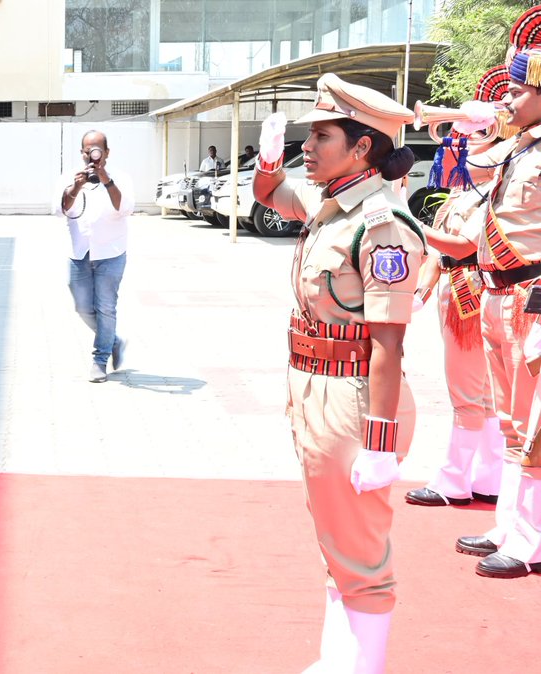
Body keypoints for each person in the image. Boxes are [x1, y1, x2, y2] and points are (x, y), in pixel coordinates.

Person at [253, 73, 424, 673]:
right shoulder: (332, 207)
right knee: (337, 542)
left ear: (362, 148)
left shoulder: (379, 224)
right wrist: (269, 158)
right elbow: (269, 193)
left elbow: (388, 344)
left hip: (355, 399)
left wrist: (380, 445)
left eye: (320, 135)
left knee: (362, 555)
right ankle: (340, 660)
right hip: (315, 387)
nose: (308, 144)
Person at [406, 65, 511, 510]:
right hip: (459, 287)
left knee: (469, 393)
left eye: (474, 138)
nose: (462, 146)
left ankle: (454, 480)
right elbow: (440, 255)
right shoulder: (464, 192)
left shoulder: (489, 193)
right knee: (481, 395)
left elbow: (461, 244)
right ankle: (487, 477)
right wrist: (419, 291)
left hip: (469, 292)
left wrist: (407, 223)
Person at [58, 130, 134, 383]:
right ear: (82, 152)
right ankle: (113, 340)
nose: (92, 154)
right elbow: (59, 210)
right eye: (87, 150)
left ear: (107, 153)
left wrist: (106, 180)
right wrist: (77, 186)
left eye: (97, 149)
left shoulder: (121, 177)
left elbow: (125, 208)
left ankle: (100, 360)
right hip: (79, 253)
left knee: (105, 308)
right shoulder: (70, 178)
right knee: (82, 306)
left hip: (111, 253)